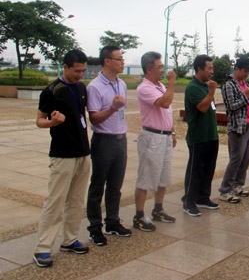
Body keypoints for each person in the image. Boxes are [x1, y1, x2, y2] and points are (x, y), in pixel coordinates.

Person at [33, 49, 91, 267]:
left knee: (76, 200)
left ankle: (70, 239)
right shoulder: (52, 91)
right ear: (65, 67)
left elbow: (82, 116)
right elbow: (39, 120)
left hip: (82, 152)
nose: (80, 75)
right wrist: (52, 122)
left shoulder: (82, 88)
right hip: (62, 154)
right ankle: (43, 248)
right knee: (55, 201)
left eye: (83, 71)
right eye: (76, 71)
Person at [86, 46, 131, 246]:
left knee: (115, 186)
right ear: (107, 61)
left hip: (121, 139)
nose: (123, 62)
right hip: (103, 140)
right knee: (97, 187)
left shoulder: (121, 84)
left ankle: (112, 221)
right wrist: (113, 108)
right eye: (119, 59)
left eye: (122, 58)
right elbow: (94, 118)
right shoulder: (95, 87)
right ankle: (95, 227)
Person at [133, 51, 178, 232]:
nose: (163, 70)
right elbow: (165, 103)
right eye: (159, 67)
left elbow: (168, 112)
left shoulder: (160, 86)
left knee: (163, 177)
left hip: (165, 136)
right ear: (149, 69)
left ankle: (158, 209)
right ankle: (139, 215)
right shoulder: (145, 88)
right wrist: (172, 83)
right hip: (152, 137)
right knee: (146, 177)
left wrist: (172, 131)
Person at [181, 55, 220, 216]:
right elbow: (202, 107)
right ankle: (189, 201)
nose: (212, 71)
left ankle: (203, 197)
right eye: (209, 68)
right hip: (198, 137)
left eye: (212, 68)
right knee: (195, 171)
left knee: (208, 169)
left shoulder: (205, 86)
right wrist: (212, 91)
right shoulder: (193, 87)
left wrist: (210, 90)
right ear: (199, 69)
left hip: (211, 135)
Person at [219, 57, 249, 203]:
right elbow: (231, 106)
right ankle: (225, 190)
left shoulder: (244, 83)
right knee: (236, 159)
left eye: (248, 71)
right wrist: (246, 97)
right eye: (245, 71)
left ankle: (237, 184)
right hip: (238, 126)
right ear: (237, 69)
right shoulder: (229, 85)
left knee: (246, 158)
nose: (247, 74)